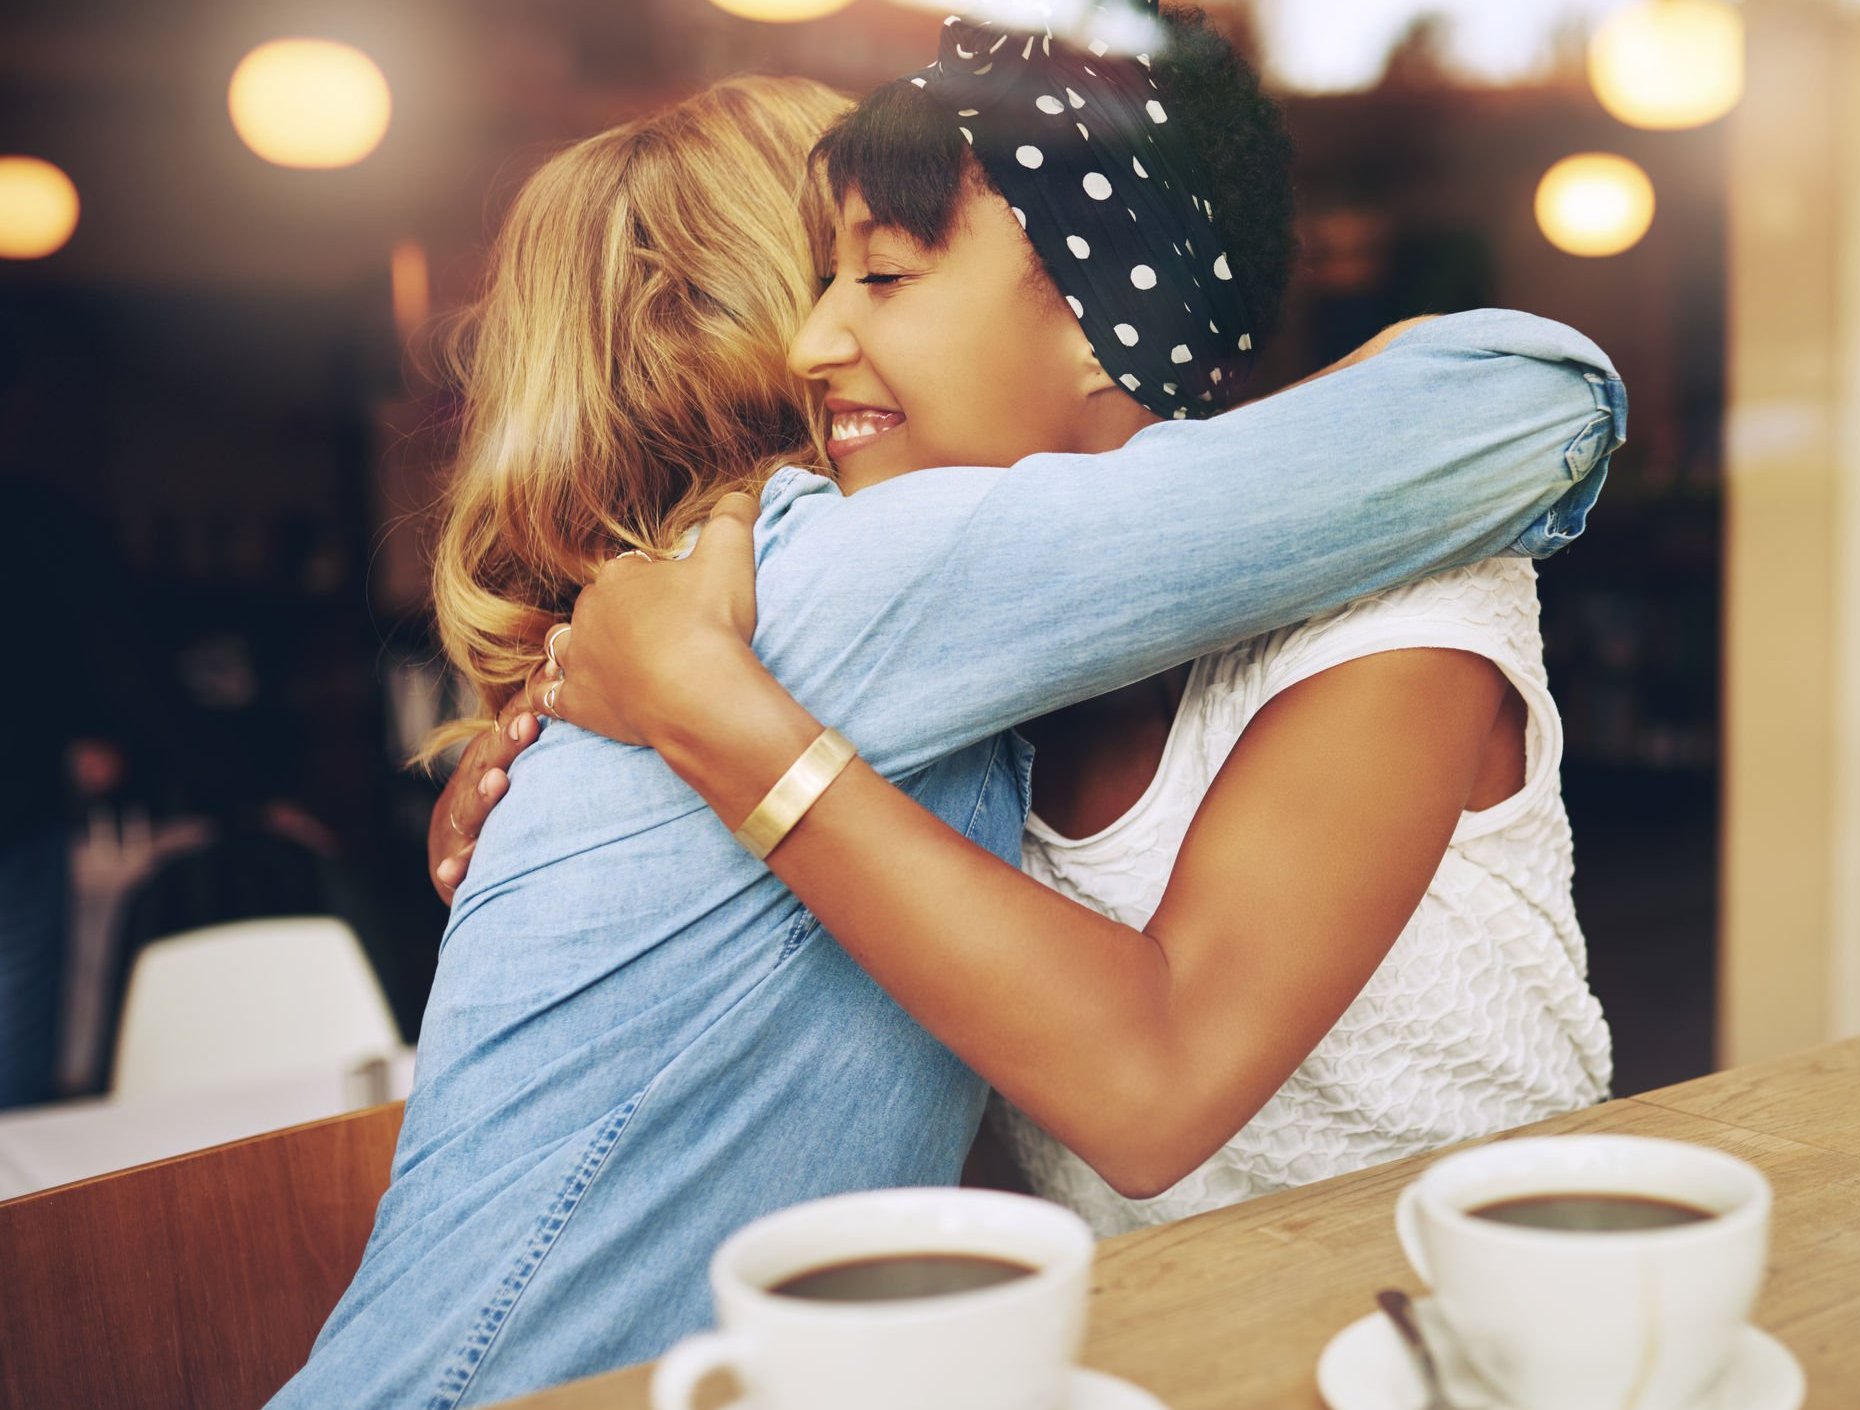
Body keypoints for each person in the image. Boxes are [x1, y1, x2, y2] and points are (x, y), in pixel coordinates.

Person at [287, 57, 1619, 1410]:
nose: (820, 338)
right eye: (816, 274)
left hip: (1508, 1346)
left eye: (880, 274)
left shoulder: (767, 634)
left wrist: (703, 712)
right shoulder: (836, 608)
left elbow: (1125, 1088)